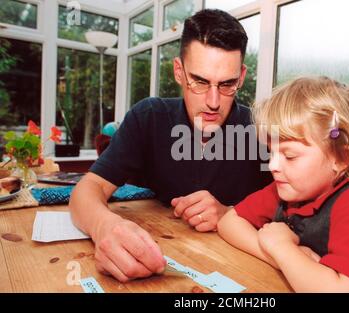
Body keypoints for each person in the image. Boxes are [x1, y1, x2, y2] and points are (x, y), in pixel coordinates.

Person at [69, 9, 271, 283]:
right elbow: (88, 188)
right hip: (163, 262)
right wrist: (103, 225)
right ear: (178, 71)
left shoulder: (262, 131)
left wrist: (230, 214)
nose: (213, 101)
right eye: (199, 81)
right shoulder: (149, 117)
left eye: (227, 84)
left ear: (242, 77)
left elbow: (294, 217)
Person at [217, 76, 349, 292]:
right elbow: (228, 222)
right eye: (271, 152)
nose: (273, 165)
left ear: (341, 158)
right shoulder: (287, 188)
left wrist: (283, 248)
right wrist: (283, 257)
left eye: (290, 156)